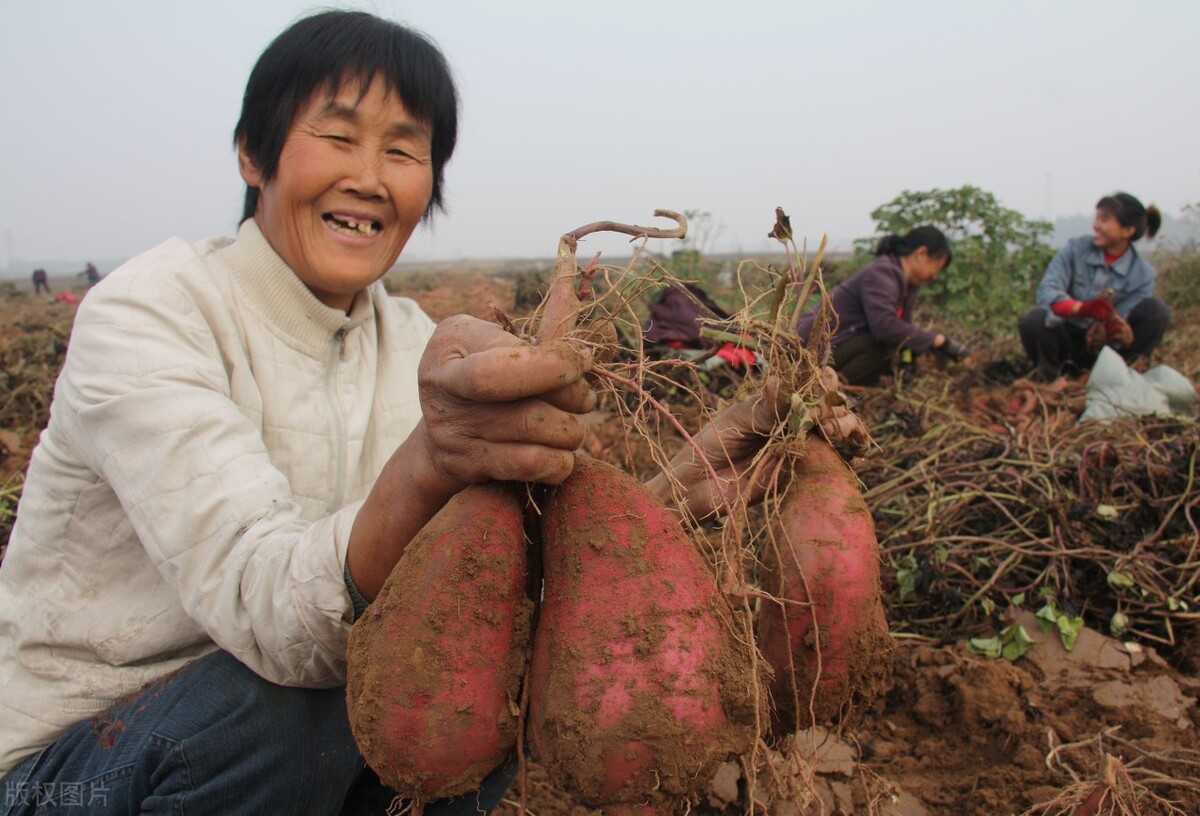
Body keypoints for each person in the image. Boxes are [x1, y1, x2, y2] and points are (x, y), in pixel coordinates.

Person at [0, 11, 788, 815]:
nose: (370, 177)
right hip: (77, 764)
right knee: (303, 705)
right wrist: (430, 461)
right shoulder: (147, 313)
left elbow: (484, 569)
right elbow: (269, 610)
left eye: (404, 150)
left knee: (482, 677)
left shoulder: (414, 342)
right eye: (338, 138)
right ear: (253, 153)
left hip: (285, 746)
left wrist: (660, 505)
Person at [1018, 192, 1167, 382]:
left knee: (1156, 311)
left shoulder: (1143, 274)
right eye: (1097, 218)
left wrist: (1117, 330)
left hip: (1108, 351)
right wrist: (1083, 309)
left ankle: (1124, 377)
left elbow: (1123, 316)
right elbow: (1048, 291)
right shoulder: (1075, 249)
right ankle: (1049, 378)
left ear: (1127, 230)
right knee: (1034, 320)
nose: (1096, 225)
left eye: (1105, 219)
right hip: (1067, 338)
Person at [795, 226, 969, 386]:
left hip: (836, 347)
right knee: (882, 347)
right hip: (809, 351)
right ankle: (829, 388)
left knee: (896, 352)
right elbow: (885, 327)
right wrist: (936, 340)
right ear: (921, 253)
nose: (934, 276)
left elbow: (904, 333)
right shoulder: (883, 273)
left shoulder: (906, 285)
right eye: (936, 267)